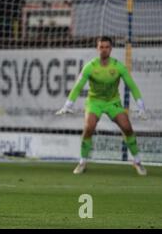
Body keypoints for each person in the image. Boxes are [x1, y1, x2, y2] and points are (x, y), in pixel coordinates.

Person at [56, 36, 148, 175]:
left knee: (127, 128)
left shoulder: (118, 66)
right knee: (89, 128)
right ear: (97, 48)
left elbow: (132, 85)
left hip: (113, 102)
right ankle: (82, 162)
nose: (104, 50)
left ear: (111, 49)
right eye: (101, 47)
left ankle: (137, 161)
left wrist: (141, 106)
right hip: (94, 102)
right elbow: (78, 86)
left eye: (106, 47)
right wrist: (68, 104)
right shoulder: (90, 67)